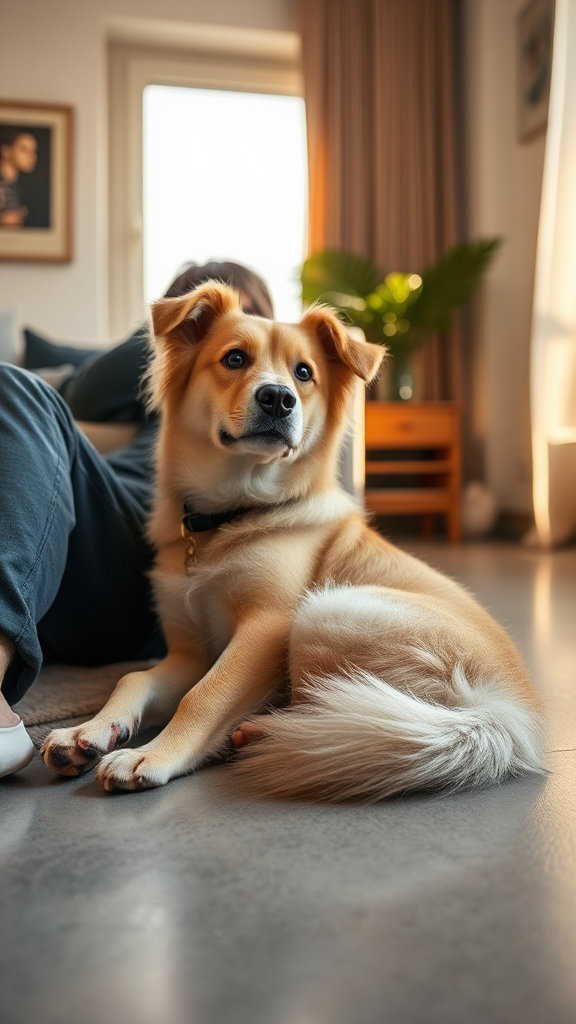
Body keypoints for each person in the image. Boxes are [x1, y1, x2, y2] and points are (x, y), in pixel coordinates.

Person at [0, 260, 274, 778]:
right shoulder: (168, 378)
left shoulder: (255, 416)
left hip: (141, 554)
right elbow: (85, 391)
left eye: (252, 319)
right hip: (60, 543)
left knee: (18, 388)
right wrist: (184, 329)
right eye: (233, 349)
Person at [0, 128, 38, 228]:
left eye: (33, 151)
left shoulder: (27, 186)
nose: (31, 156)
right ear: (6, 152)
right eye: (24, 150)